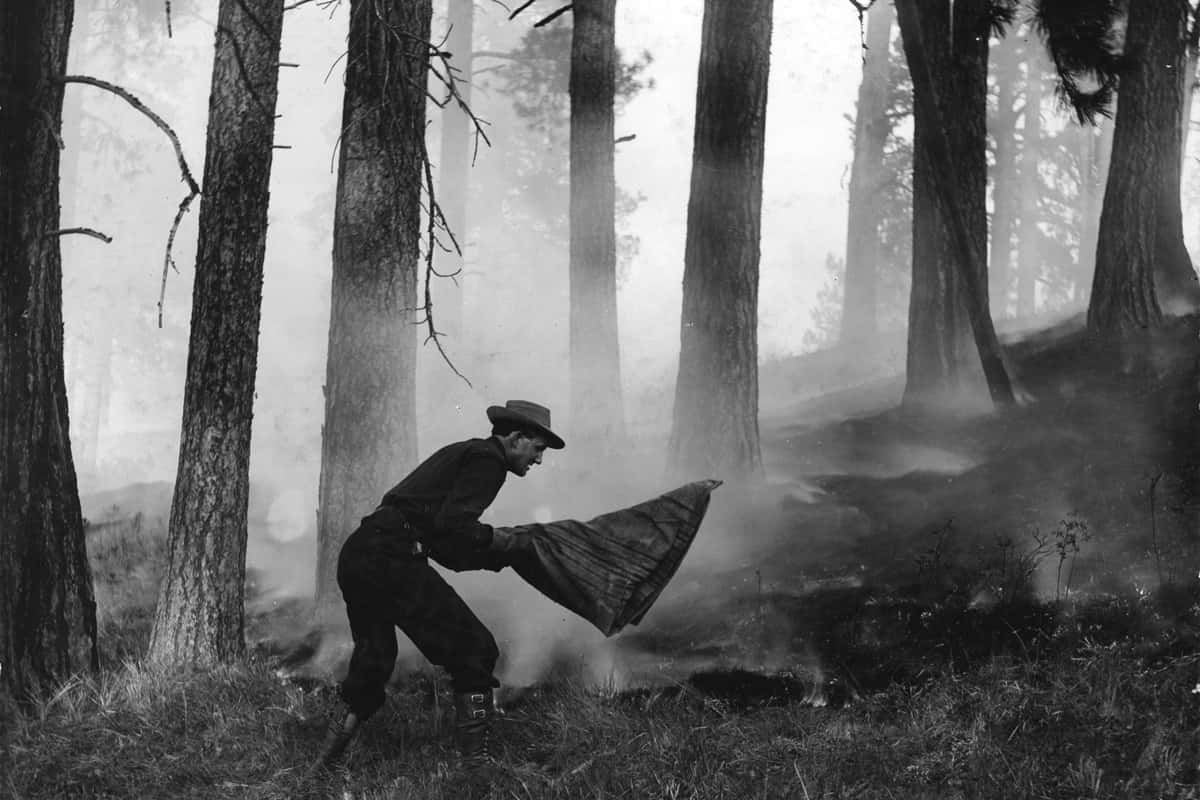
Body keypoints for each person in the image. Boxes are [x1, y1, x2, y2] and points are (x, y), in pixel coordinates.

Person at [316, 400, 565, 770]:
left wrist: (498, 556)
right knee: (476, 649)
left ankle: (322, 767)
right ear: (515, 438)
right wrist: (504, 542)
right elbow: (455, 528)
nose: (539, 460)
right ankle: (476, 771)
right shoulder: (489, 461)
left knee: (373, 661)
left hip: (361, 554)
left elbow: (447, 545)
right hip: (391, 558)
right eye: (538, 449)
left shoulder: (466, 452)